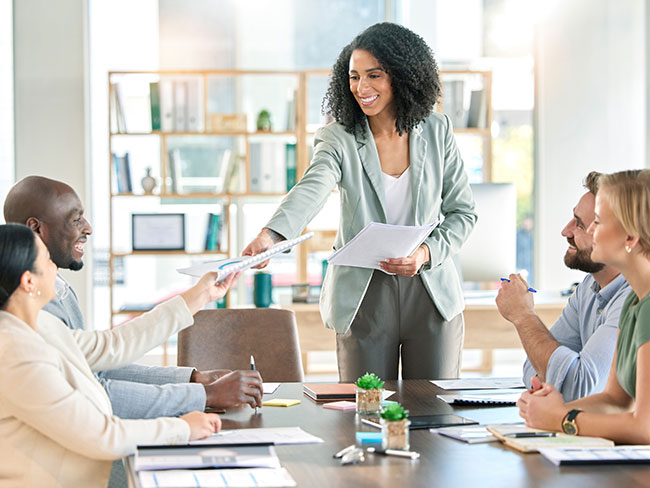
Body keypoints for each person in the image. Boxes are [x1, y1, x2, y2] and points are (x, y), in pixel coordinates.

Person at [242, 23, 477, 381]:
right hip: (364, 294)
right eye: (354, 77)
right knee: (365, 412)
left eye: (374, 75)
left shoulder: (437, 130)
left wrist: (425, 253)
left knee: (434, 413)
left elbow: (462, 213)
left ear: (402, 75)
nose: (361, 88)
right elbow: (312, 187)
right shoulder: (338, 137)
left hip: (430, 291)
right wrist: (271, 236)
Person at [3, 176, 264, 419]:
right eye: (75, 220)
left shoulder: (57, 288)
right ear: (36, 229)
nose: (88, 229)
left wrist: (193, 380)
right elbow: (97, 386)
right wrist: (207, 394)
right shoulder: (29, 312)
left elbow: (96, 366)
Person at [0, 223, 233, 487]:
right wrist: (183, 428)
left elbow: (112, 345)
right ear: (29, 281)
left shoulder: (41, 324)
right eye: (45, 258)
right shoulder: (15, 354)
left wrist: (199, 296)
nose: (54, 265)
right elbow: (100, 435)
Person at [517, 169, 650, 444]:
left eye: (598, 222)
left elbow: (645, 428)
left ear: (630, 239)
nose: (589, 231)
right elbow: (616, 401)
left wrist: (561, 420)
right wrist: (548, 411)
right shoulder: (634, 302)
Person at [496, 172, 630, 401]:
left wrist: (524, 316)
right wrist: (555, 377)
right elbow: (532, 369)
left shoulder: (634, 297)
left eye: (580, 224)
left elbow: (576, 387)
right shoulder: (589, 287)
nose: (565, 231)